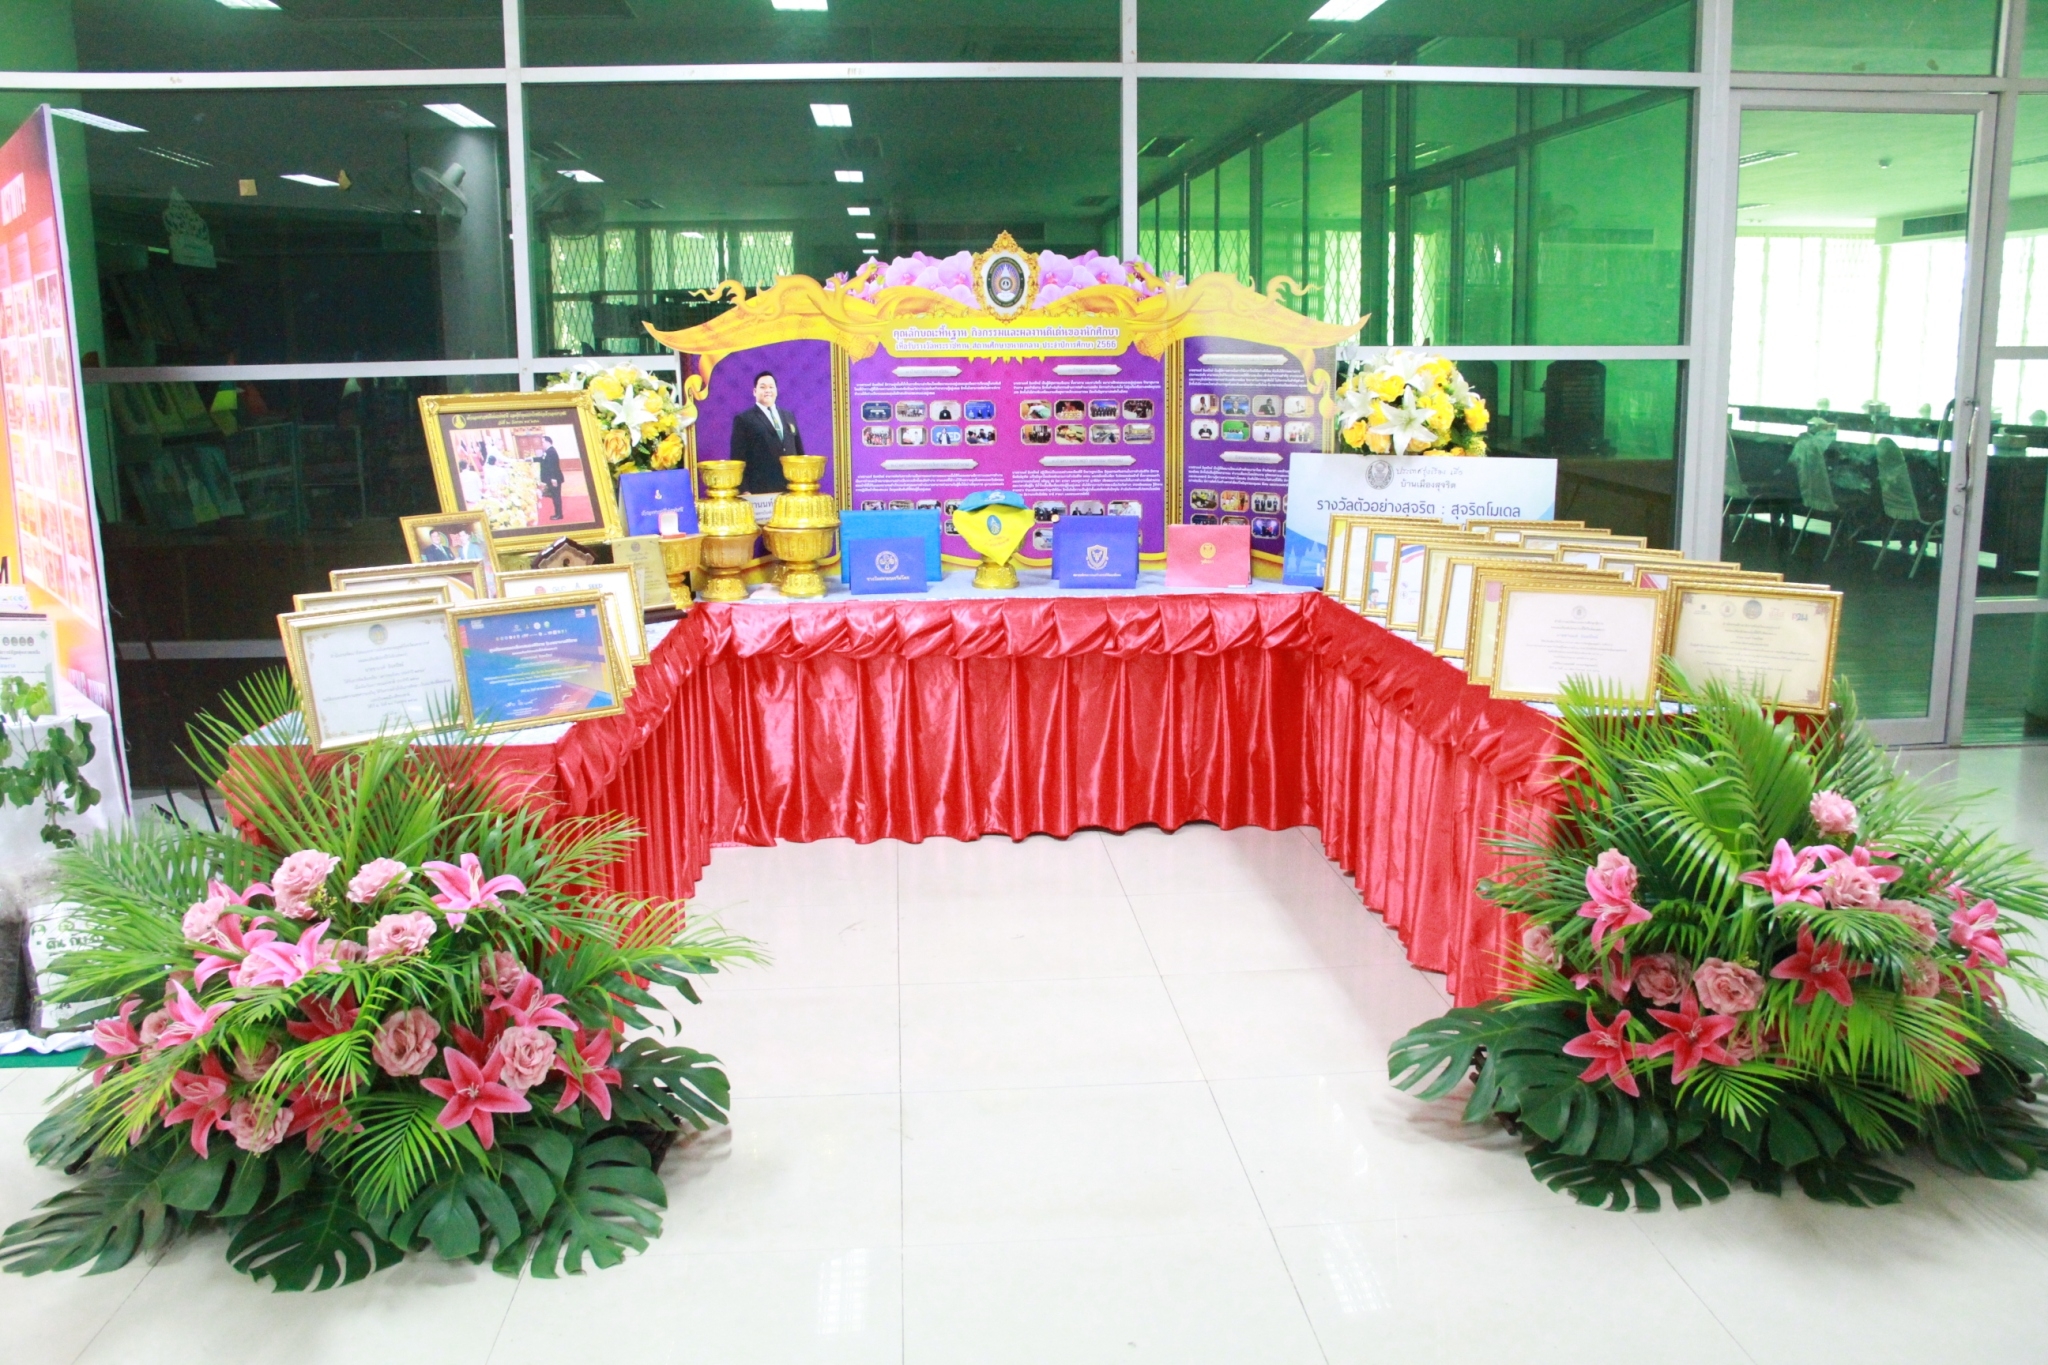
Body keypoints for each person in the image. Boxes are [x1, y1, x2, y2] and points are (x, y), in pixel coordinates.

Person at [729, 370, 803, 494]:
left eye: (771, 387)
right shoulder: (744, 419)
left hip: (791, 487)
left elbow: (799, 450)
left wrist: (802, 481)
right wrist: (744, 489)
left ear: (776, 391)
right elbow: (738, 457)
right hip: (761, 489)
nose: (767, 390)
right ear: (754, 391)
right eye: (763, 387)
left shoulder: (788, 416)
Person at [538, 435, 565, 521]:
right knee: (554, 496)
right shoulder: (548, 451)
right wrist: (531, 459)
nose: (542, 444)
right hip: (552, 478)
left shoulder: (551, 451)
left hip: (555, 478)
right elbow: (542, 459)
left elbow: (553, 466)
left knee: (556, 497)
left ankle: (559, 515)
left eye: (543, 442)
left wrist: (553, 478)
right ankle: (557, 513)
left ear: (547, 442)